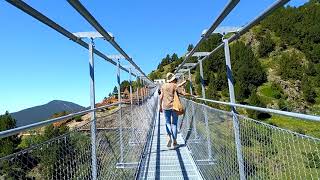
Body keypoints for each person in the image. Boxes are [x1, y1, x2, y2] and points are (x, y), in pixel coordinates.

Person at [159, 73, 186, 149]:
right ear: (173, 80)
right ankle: (174, 142)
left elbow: (161, 97)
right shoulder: (174, 86)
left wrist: (160, 106)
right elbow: (183, 93)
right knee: (174, 124)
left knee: (167, 122)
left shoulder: (163, 86)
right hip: (174, 107)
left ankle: (168, 137)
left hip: (166, 107)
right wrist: (186, 90)